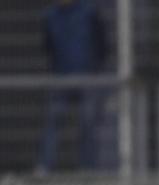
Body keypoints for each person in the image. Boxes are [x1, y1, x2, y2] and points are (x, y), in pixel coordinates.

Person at [36, 0, 108, 173]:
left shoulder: (90, 12)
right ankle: (45, 166)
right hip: (60, 77)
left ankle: (87, 168)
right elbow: (48, 47)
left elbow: (102, 44)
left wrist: (94, 69)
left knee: (88, 123)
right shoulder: (50, 16)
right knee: (53, 122)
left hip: (87, 77)